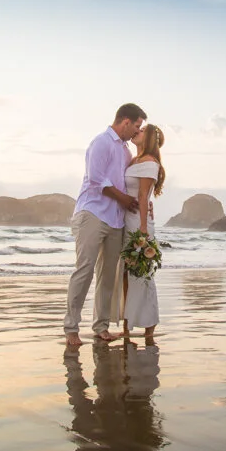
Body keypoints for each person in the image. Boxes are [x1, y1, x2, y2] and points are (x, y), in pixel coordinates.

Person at [64, 103, 147, 347]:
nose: (136, 132)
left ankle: (101, 327)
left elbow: (129, 185)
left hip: (115, 220)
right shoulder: (101, 142)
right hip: (92, 213)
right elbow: (97, 180)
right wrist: (126, 200)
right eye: (137, 126)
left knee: (107, 275)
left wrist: (142, 204)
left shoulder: (125, 152)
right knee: (85, 270)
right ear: (125, 122)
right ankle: (71, 329)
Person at [118, 124, 165, 338]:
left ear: (148, 139)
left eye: (142, 130)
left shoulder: (149, 162)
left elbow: (144, 196)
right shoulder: (134, 160)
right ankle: (127, 325)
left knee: (143, 273)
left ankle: (150, 325)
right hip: (126, 220)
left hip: (139, 223)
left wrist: (144, 230)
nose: (138, 130)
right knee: (127, 274)